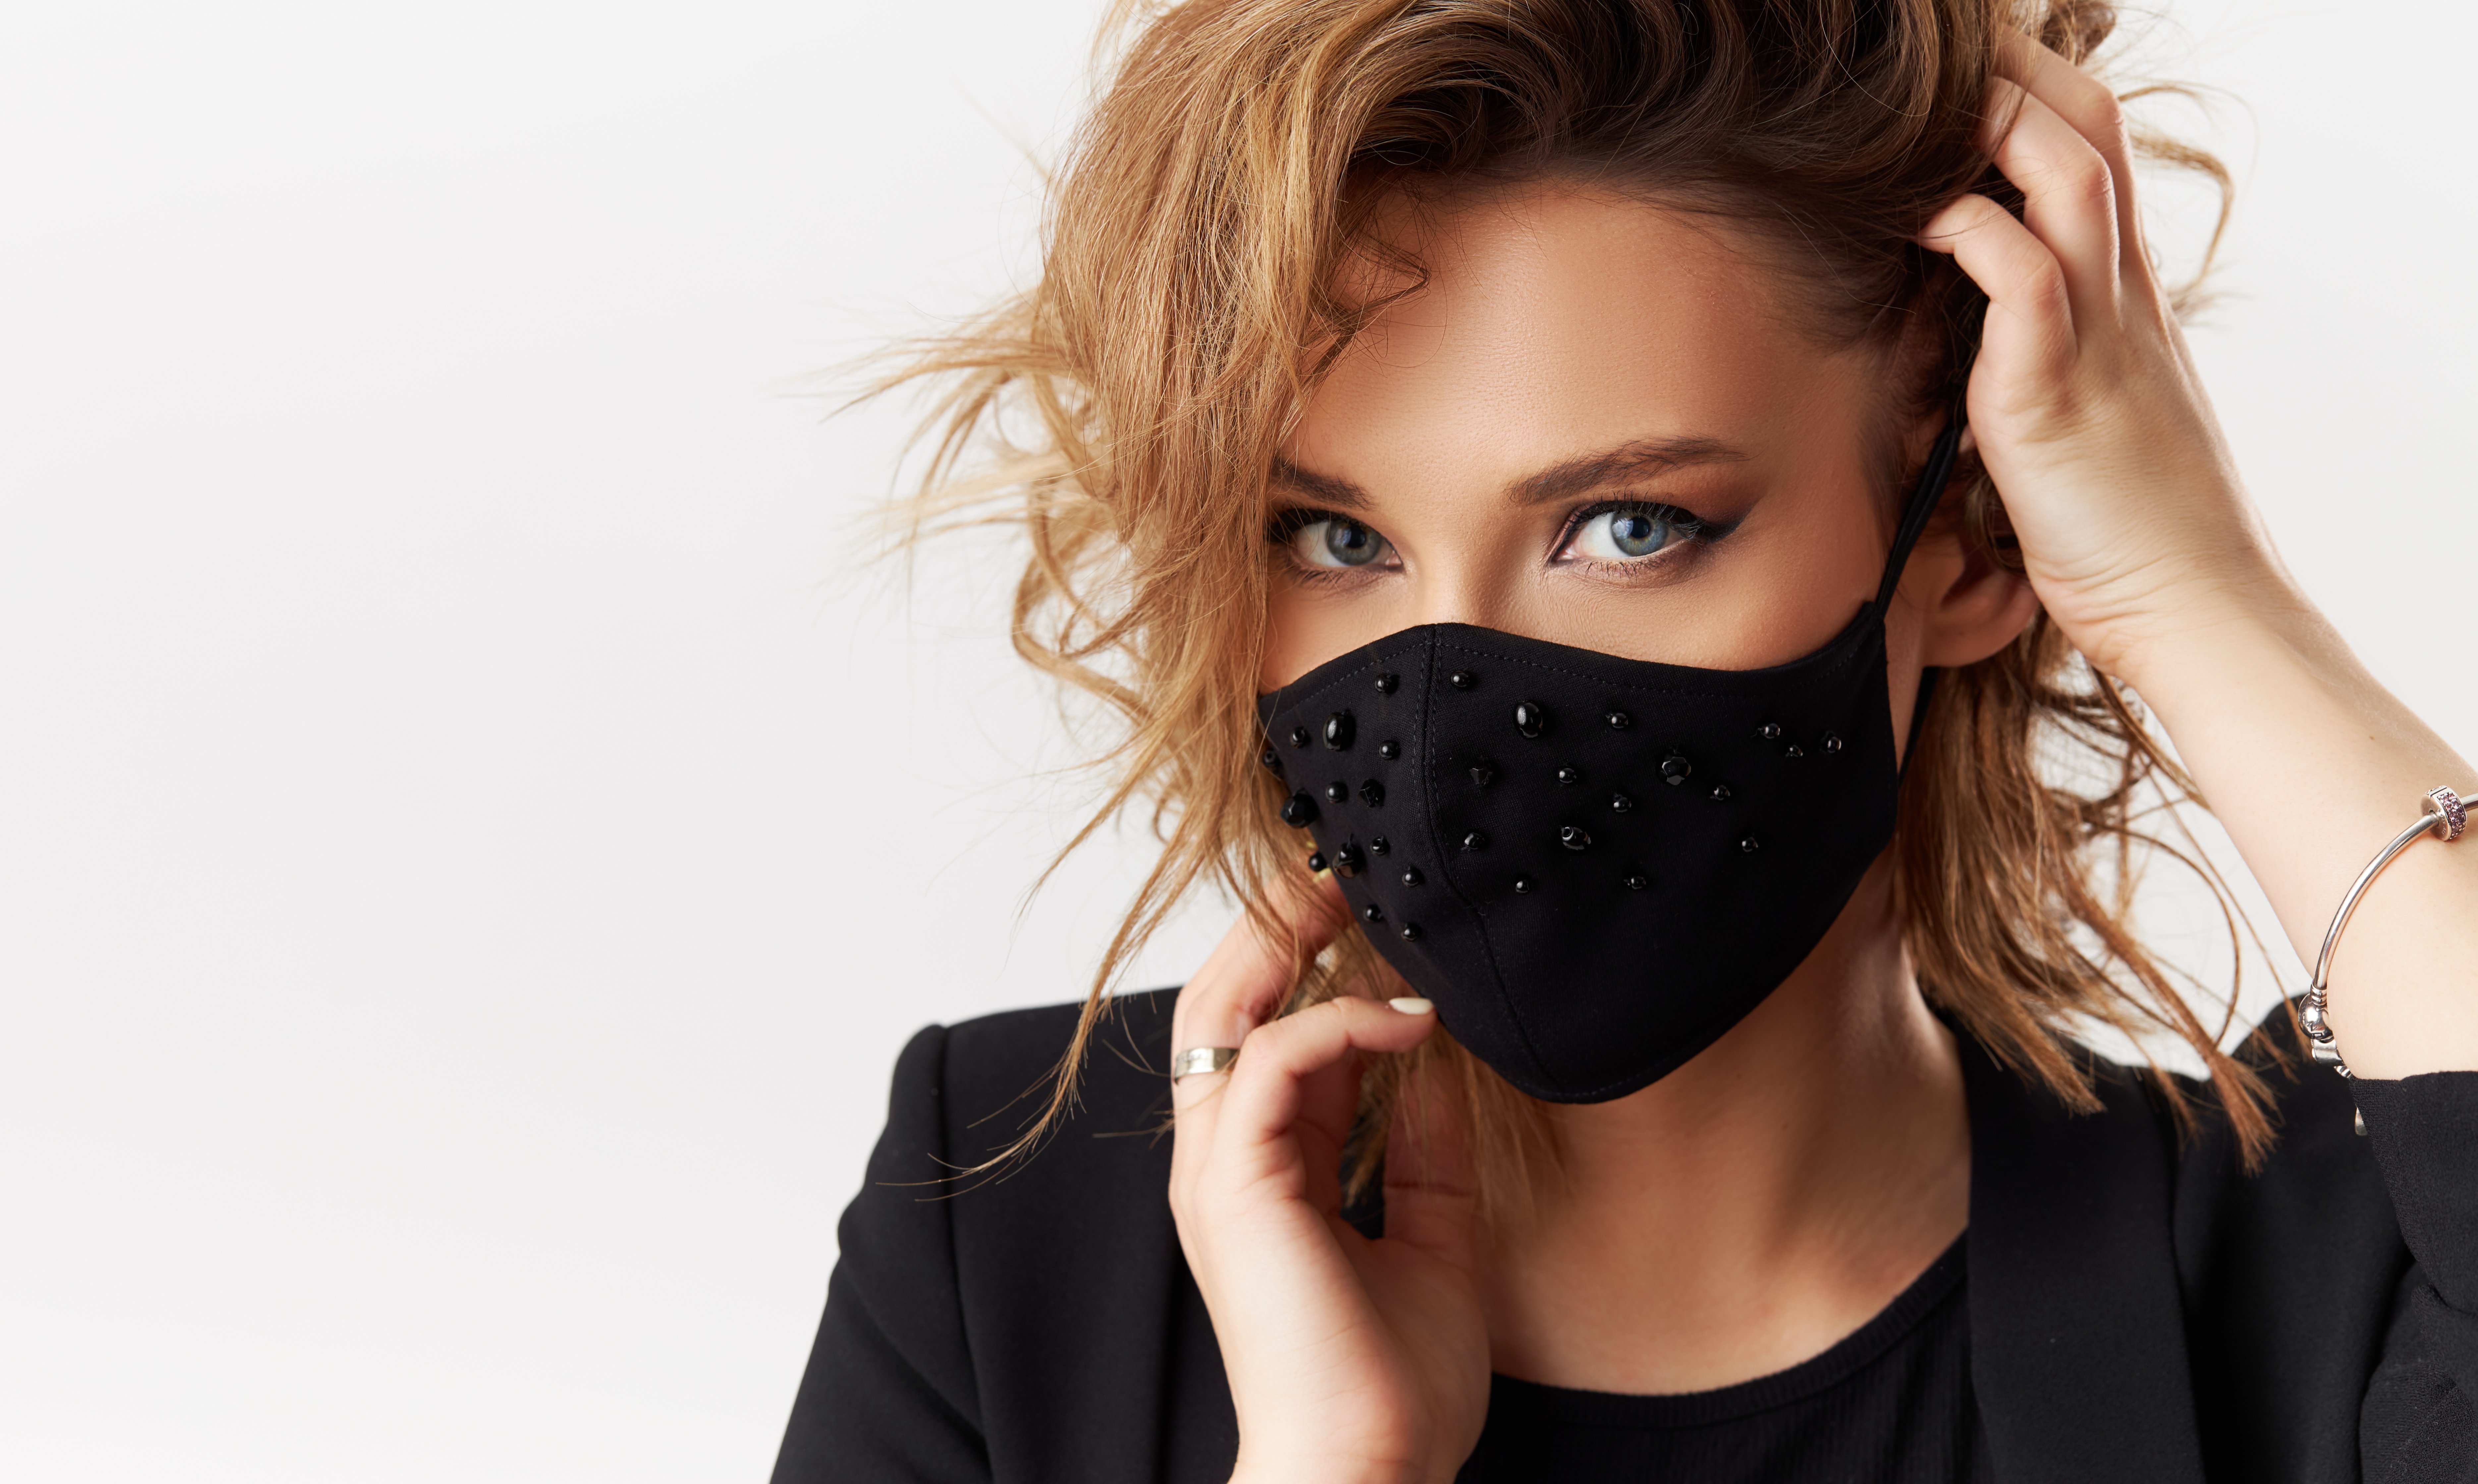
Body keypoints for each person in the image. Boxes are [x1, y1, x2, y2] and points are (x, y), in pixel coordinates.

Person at [774, 1, 2478, 1479]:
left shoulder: (2298, 1276)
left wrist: (2189, 585)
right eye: (1335, 538)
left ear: (1963, 538)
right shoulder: (1008, 1225)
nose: (1448, 713)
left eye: (1634, 526)